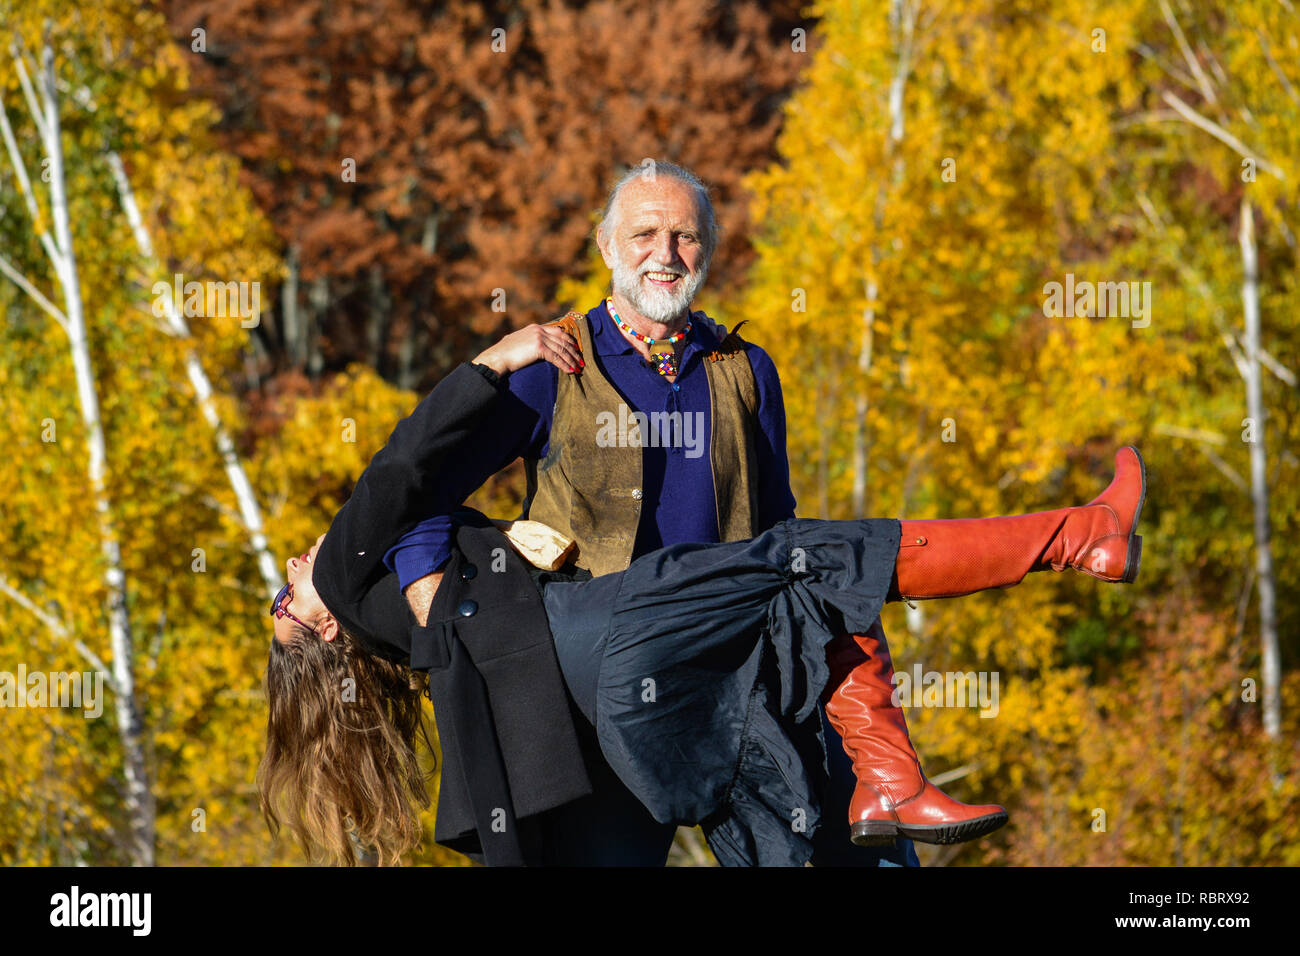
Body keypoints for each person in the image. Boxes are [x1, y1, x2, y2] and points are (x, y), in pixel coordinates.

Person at [258, 352, 1146, 866]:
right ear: (323, 626)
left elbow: (424, 516)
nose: (293, 568)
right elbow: (401, 468)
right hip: (605, 632)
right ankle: (1079, 535)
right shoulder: (344, 576)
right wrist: (500, 355)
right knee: (808, 555)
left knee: (793, 635)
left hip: (605, 711)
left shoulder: (409, 622)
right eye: (282, 598)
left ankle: (886, 783)